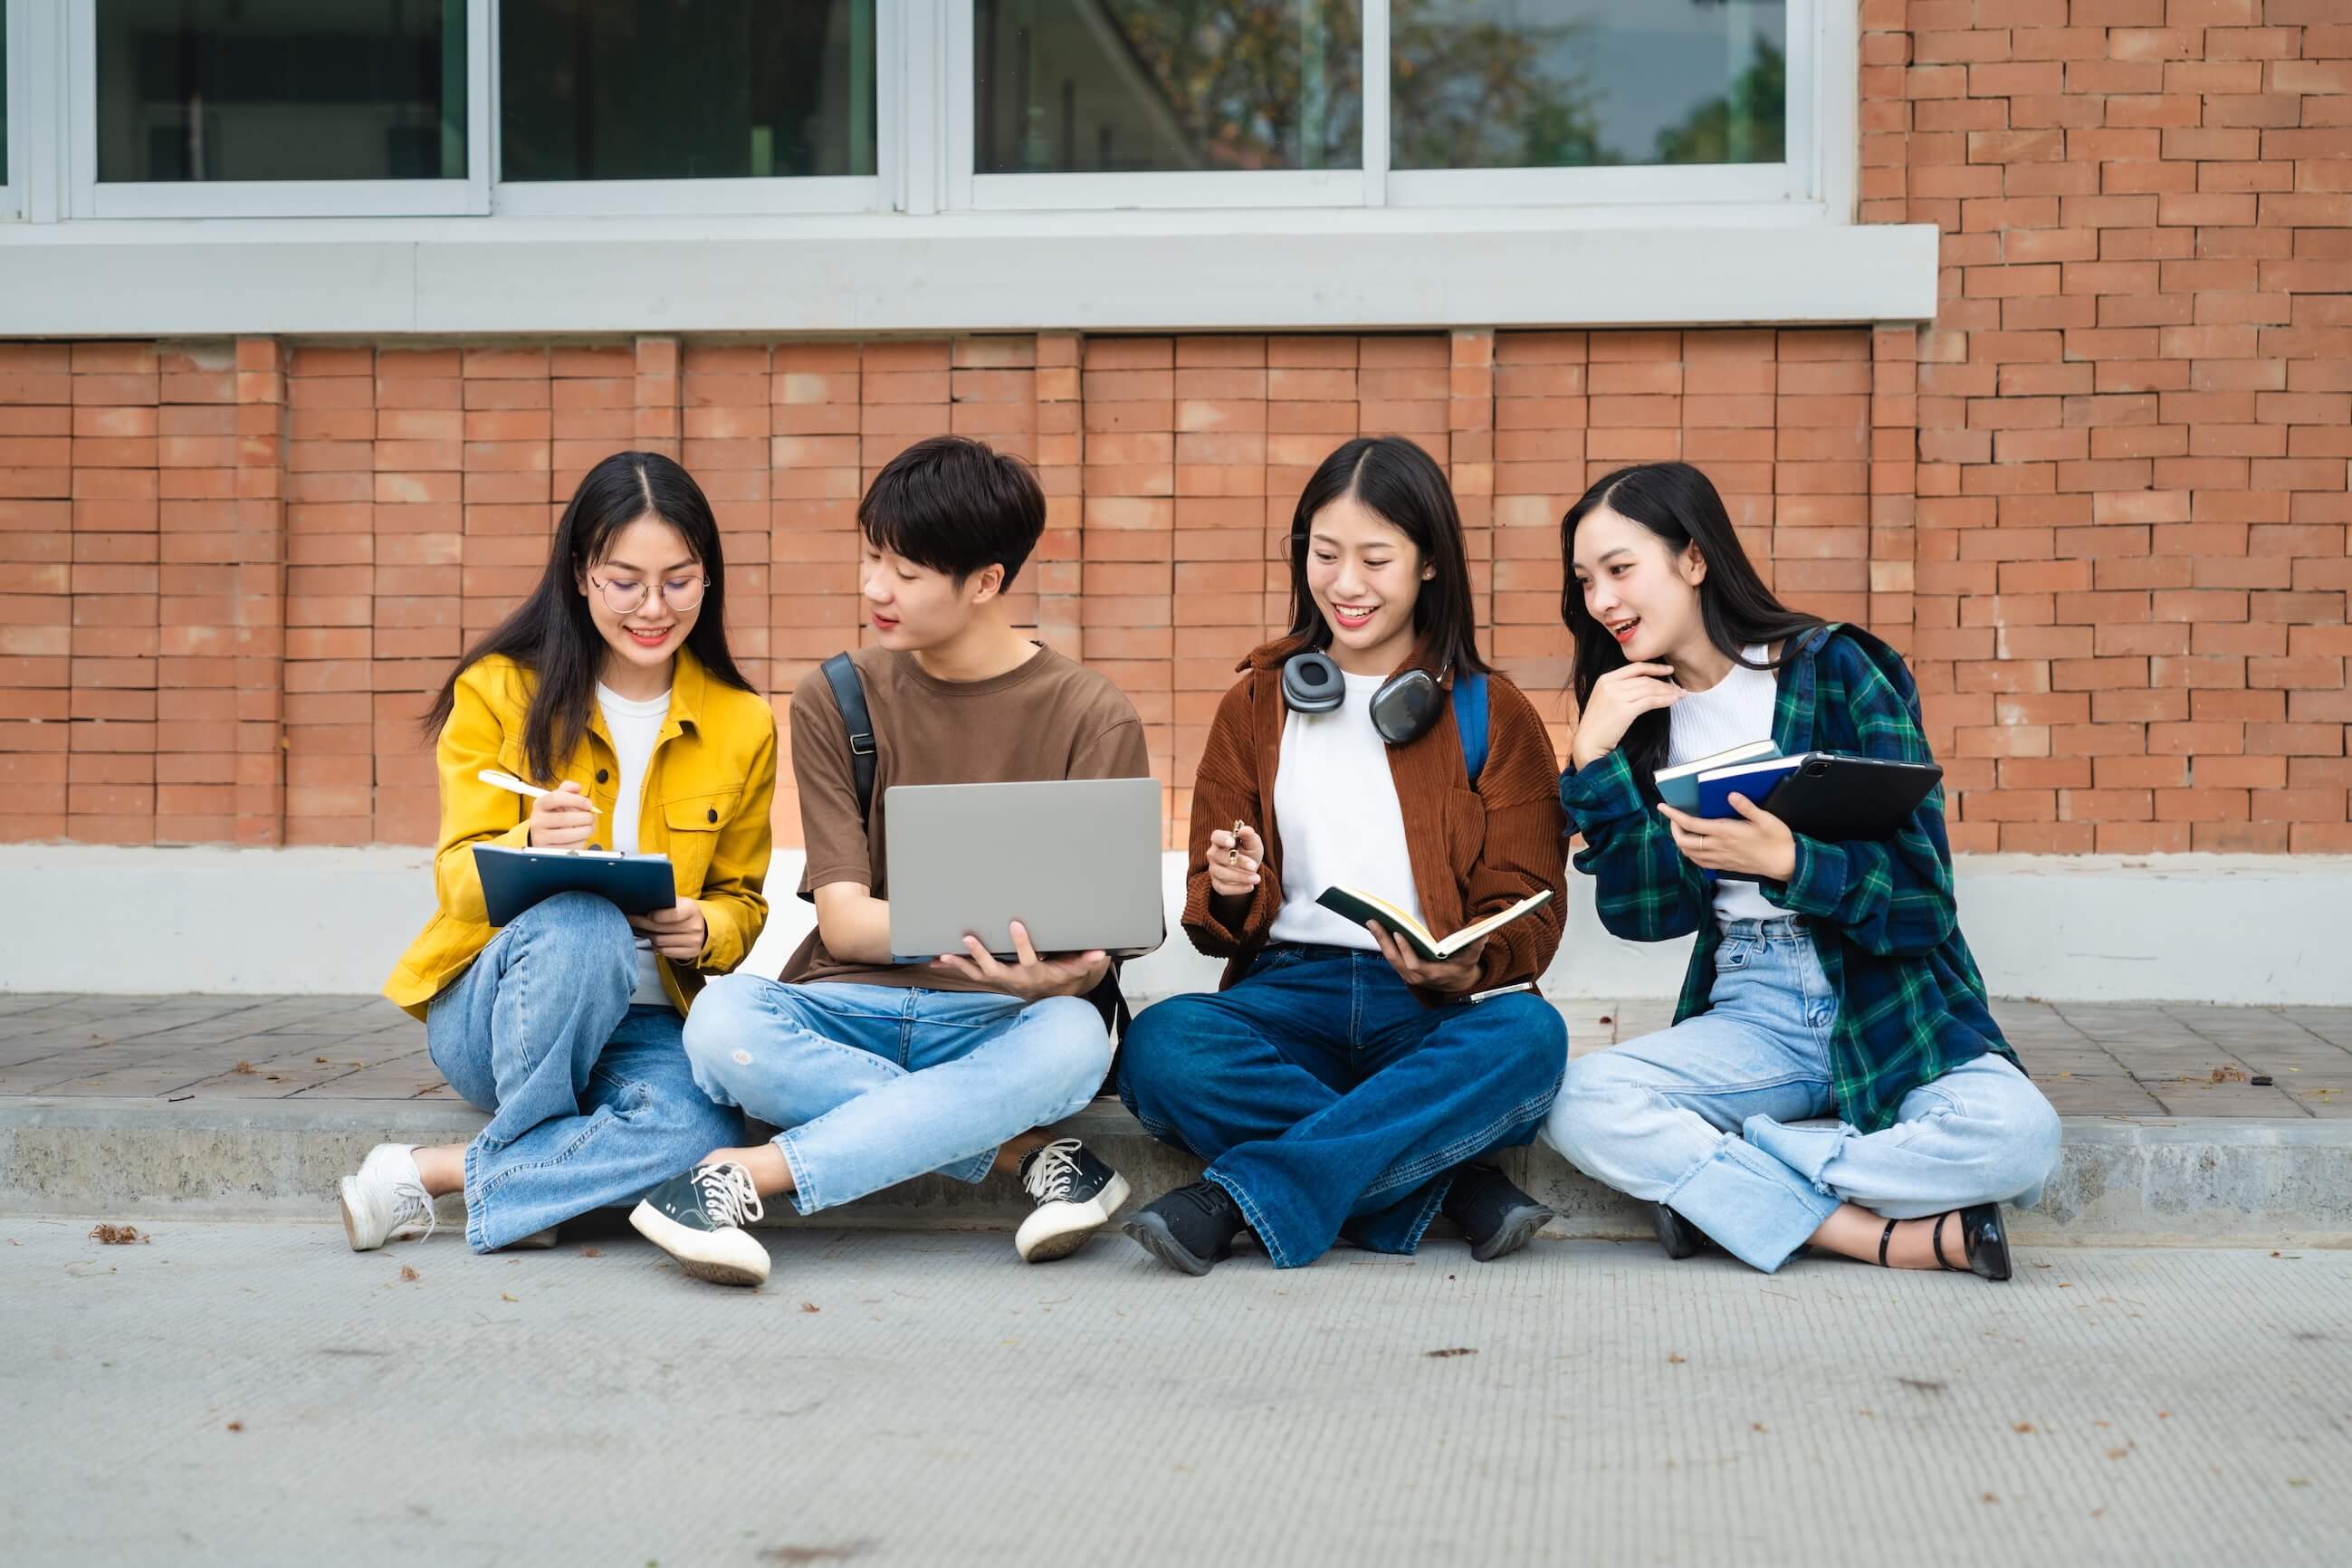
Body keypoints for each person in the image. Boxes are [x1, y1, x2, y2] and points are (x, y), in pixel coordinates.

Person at [629, 435, 1153, 1287]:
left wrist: (1060, 978)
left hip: (1002, 1021)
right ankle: (1025, 1156)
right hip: (845, 1007)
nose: (875, 587)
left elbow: (1104, 936)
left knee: (1072, 1040)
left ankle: (741, 1180)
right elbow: (845, 923)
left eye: (906, 571)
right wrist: (1010, 941)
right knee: (722, 1023)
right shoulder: (835, 697)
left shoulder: (1093, 715)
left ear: (985, 581)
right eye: (872, 555)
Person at [1544, 461, 2061, 1281]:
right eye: (1585, 581)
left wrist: (1786, 860)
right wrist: (1595, 755)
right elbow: (1649, 917)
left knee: (2020, 1138)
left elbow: (1925, 901)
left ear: (1693, 559)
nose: (1601, 601)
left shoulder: (1838, 670)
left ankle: (1733, 1175)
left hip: (1892, 999)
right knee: (1578, 1100)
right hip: (1754, 1008)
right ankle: (1870, 1235)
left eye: (1619, 569)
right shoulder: (1638, 718)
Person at [1114, 435, 1570, 1276]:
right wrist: (1230, 885)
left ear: (1430, 564)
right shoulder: (1255, 702)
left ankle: (1237, 1195)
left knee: (1530, 1035)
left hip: (1427, 1013)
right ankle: (1449, 1185)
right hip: (1284, 997)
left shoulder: (1492, 712)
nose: (1346, 584)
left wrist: (1462, 970)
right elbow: (1212, 923)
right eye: (1326, 555)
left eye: (1375, 559)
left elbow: (1532, 902)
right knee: (1162, 1047)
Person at [340, 451, 776, 1255]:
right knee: (583, 922)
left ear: (708, 578)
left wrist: (706, 929)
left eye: (679, 580)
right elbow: (454, 882)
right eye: (625, 581)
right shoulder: (499, 691)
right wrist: (528, 840)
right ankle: (541, 1179)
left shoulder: (743, 721)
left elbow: (744, 901)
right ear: (581, 574)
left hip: (647, 1023)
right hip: (499, 1012)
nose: (653, 607)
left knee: (697, 1136)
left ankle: (436, 1174)